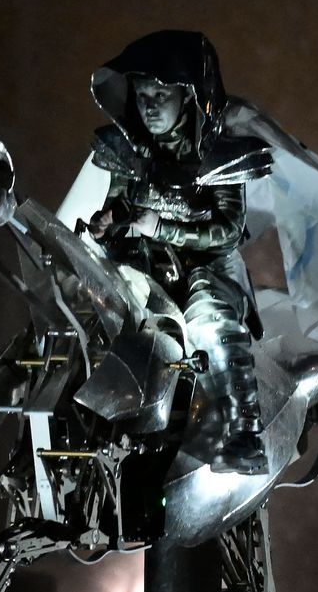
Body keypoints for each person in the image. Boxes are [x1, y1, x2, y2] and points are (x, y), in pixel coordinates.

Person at [84, 31, 274, 474]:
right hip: (147, 267)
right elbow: (120, 204)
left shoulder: (220, 153)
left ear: (187, 96)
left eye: (160, 94)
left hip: (206, 268)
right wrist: (109, 223)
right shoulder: (127, 150)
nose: (148, 105)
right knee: (91, 307)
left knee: (211, 316)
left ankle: (244, 434)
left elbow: (228, 230)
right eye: (142, 93)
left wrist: (162, 226)